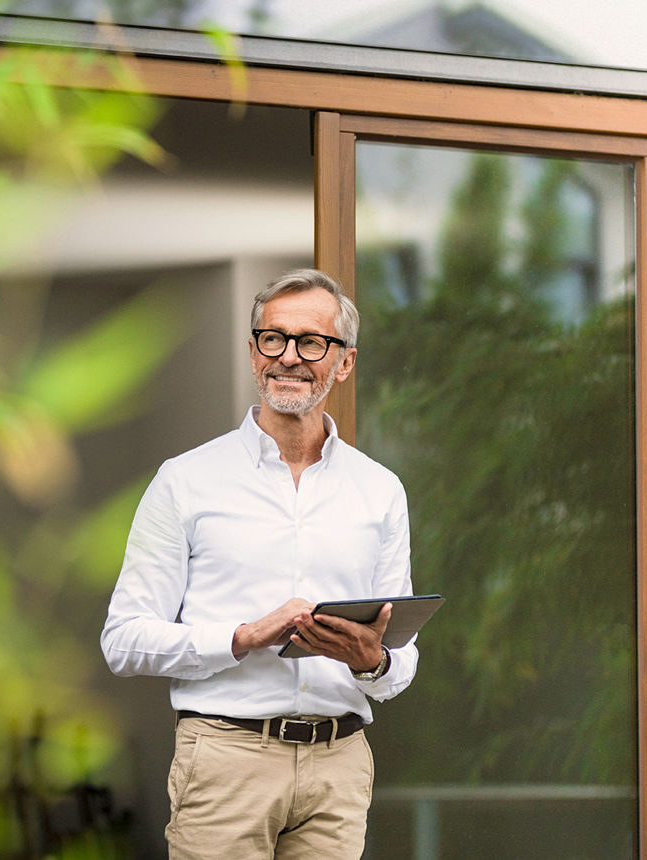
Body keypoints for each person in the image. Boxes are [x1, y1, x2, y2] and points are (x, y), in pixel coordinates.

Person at [100, 269, 416, 859]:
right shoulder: (185, 481)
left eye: (311, 342)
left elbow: (400, 666)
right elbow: (122, 641)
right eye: (273, 338)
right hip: (226, 760)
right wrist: (242, 637)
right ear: (253, 352)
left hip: (340, 767)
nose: (289, 357)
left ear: (343, 363)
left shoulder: (381, 490)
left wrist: (374, 661)